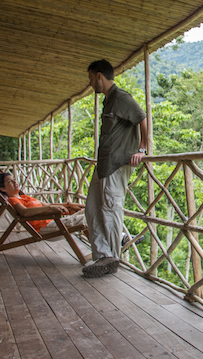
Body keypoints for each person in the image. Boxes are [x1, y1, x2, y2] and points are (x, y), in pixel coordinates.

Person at [83, 59, 147, 278]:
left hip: (117, 163)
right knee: (92, 207)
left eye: (91, 78)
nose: (90, 83)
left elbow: (142, 117)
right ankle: (103, 255)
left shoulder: (121, 97)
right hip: (103, 163)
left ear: (99, 76)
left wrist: (142, 149)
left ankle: (112, 259)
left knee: (111, 210)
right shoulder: (108, 101)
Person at [0, 172, 85, 234]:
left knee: (88, 211)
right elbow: (24, 212)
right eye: (10, 181)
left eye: (14, 179)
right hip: (46, 227)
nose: (14, 182)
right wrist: (49, 208)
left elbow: (49, 205)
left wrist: (68, 205)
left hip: (53, 221)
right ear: (3, 189)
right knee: (90, 217)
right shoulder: (12, 200)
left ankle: (97, 253)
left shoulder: (24, 197)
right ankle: (98, 254)